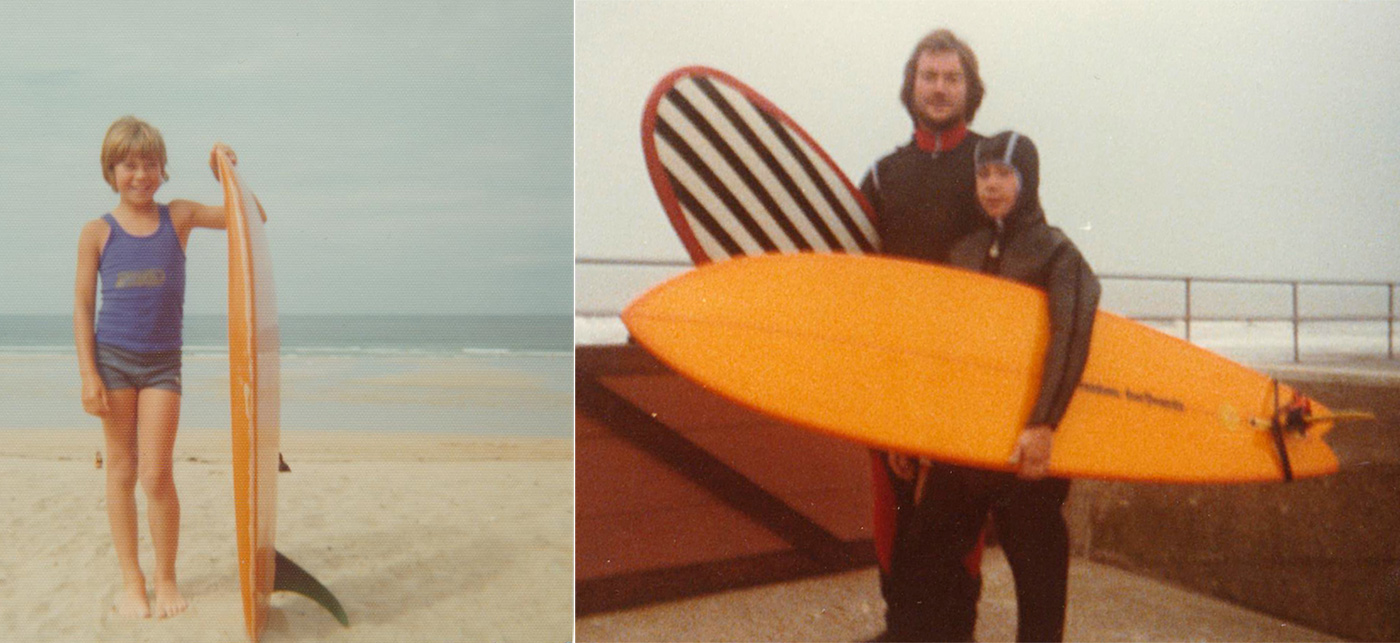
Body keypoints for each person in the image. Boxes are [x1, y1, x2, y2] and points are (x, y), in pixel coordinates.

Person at [882, 130, 1101, 642]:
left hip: (1024, 452)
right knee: (919, 559)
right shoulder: (964, 251)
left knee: (1039, 579)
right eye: (983, 174)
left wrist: (1044, 424)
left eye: (1004, 173)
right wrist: (915, 429)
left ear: (1028, 180)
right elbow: (943, 353)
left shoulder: (1057, 254)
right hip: (966, 448)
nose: (992, 185)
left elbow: (1071, 338)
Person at [74, 116, 236, 619]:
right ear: (111, 171)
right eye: (129, 165)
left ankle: (166, 578)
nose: (140, 175)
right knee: (120, 471)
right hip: (113, 363)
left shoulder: (180, 216)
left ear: (164, 170)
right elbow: (82, 306)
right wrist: (88, 374)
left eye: (150, 165)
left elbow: (249, 218)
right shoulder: (96, 232)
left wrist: (224, 174)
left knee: (157, 474)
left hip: (163, 365)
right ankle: (132, 579)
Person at [858, 27, 991, 640]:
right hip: (895, 367)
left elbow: (1025, 257)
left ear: (971, 88)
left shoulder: (995, 166)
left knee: (963, 509)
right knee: (892, 496)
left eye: (952, 78)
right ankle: (900, 624)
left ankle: (954, 628)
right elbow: (856, 277)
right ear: (911, 86)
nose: (939, 89)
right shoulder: (884, 176)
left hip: (968, 371)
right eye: (929, 77)